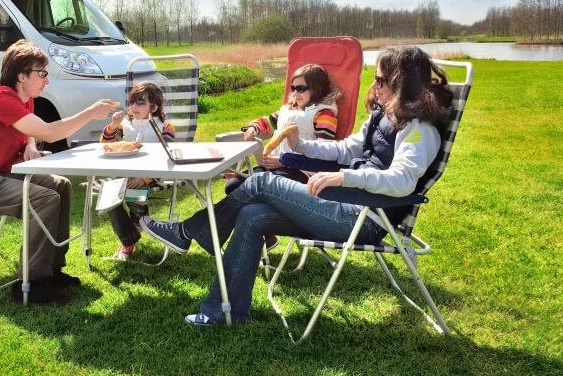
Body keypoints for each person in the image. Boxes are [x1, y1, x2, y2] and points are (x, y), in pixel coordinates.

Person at [141, 46, 453, 325]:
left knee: (261, 182)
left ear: (403, 83)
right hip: (344, 204)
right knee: (251, 215)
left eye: (381, 80)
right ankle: (224, 312)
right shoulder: (382, 117)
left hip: (363, 219)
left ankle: (191, 231)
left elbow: (401, 181)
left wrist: (345, 177)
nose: (375, 86)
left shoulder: (421, 129)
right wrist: (301, 145)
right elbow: (346, 150)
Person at [0, 40, 117, 304]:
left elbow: (31, 130)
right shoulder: (1, 99)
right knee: (44, 198)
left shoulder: (24, 100)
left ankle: (52, 270)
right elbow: (50, 132)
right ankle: (31, 282)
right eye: (42, 74)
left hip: (7, 174)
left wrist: (30, 143)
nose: (46, 80)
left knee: (61, 185)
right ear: (21, 75)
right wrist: (90, 113)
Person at [227, 64, 340, 249]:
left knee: (255, 189)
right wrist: (254, 127)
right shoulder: (289, 109)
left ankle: (251, 230)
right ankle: (268, 237)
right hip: (273, 167)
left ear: (316, 88)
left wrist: (284, 161)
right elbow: (267, 122)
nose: (295, 93)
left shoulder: (324, 113)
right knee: (233, 185)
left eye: (301, 88)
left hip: (302, 172)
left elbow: (323, 152)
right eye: (293, 88)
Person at [100, 82, 176, 260]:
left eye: (140, 103)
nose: (134, 107)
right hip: (123, 174)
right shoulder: (126, 124)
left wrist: (146, 178)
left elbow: (169, 156)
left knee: (133, 191)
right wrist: (112, 126)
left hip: (154, 175)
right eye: (132, 102)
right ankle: (130, 236)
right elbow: (105, 145)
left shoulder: (165, 126)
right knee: (108, 196)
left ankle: (138, 220)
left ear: (154, 106)